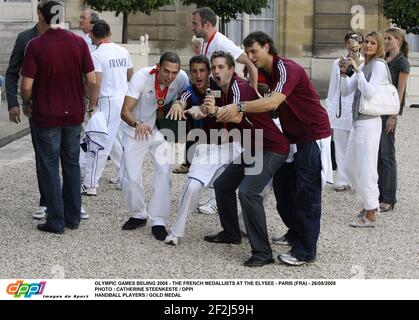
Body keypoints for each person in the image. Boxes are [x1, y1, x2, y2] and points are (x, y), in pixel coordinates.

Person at [217, 31, 331, 266]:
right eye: (247, 52)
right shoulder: (268, 73)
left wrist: (240, 106)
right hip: (290, 137)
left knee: (307, 195)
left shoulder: (287, 68)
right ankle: (295, 232)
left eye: (254, 51)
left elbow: (272, 102)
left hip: (312, 134)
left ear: (267, 47)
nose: (250, 56)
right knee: (283, 192)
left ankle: (306, 251)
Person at [203, 52, 290, 268]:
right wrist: (206, 109)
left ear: (231, 69)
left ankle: (262, 252)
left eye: (221, 67)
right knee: (222, 184)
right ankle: (231, 233)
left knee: (248, 192)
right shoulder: (218, 89)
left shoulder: (238, 88)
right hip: (254, 146)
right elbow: (210, 110)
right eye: (214, 67)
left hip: (273, 147)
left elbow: (236, 116)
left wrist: (212, 111)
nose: (216, 71)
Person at [20, 1, 96, 234]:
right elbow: (92, 80)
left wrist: (26, 102)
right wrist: (86, 103)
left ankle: (55, 219)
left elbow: (26, 84)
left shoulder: (36, 45)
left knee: (49, 165)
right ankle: (73, 217)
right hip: (73, 113)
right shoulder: (79, 42)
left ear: (42, 17)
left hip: (47, 114)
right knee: (71, 164)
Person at [163, 54, 241, 246]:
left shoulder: (224, 85)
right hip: (208, 147)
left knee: (257, 186)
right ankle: (176, 231)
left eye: (203, 70)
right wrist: (178, 104)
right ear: (190, 73)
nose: (198, 75)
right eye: (194, 71)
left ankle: (241, 226)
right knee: (193, 187)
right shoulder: (189, 91)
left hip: (236, 143)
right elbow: (182, 100)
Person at [119, 52, 189, 241]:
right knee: (131, 178)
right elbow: (124, 111)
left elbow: (188, 94)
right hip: (137, 129)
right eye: (166, 71)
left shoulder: (181, 78)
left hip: (162, 132)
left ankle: (158, 221)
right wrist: (137, 124)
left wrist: (178, 102)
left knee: (164, 173)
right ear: (158, 67)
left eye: (174, 72)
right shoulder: (141, 77)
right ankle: (138, 214)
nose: (170, 76)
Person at [340, 31, 393, 227]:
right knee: (350, 167)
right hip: (358, 122)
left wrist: (357, 71)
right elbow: (346, 90)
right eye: (366, 42)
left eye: (372, 43)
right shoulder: (364, 65)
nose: (368, 45)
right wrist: (344, 72)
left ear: (378, 46)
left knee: (367, 167)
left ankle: (371, 213)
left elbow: (370, 92)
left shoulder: (378, 65)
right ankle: (369, 203)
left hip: (370, 122)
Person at [5, 0, 50, 219]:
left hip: (64, 106)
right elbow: (12, 72)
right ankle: (46, 200)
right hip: (36, 107)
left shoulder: (66, 39)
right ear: (40, 13)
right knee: (43, 156)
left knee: (68, 156)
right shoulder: (25, 38)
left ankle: (68, 201)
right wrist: (13, 103)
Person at [80, 20, 134, 196]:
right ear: (109, 33)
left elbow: (95, 83)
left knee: (99, 142)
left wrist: (91, 106)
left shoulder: (97, 55)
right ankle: (126, 177)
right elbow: (130, 75)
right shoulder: (123, 51)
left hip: (107, 100)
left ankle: (90, 184)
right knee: (116, 142)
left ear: (93, 35)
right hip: (123, 98)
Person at [326, 32, 363, 192]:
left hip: (358, 108)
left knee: (356, 146)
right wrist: (330, 109)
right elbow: (333, 88)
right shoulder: (337, 62)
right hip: (340, 109)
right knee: (340, 145)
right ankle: (341, 179)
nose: (352, 44)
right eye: (349, 41)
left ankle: (356, 179)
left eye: (355, 41)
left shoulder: (365, 62)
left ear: (361, 44)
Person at [379, 28, 410, 212]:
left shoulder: (402, 62)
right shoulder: (383, 60)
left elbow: (400, 92)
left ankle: (389, 198)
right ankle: (379, 193)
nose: (387, 41)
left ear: (398, 40)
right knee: (377, 155)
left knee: (387, 155)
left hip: (389, 112)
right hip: (377, 110)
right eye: (385, 39)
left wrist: (393, 116)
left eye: (389, 38)